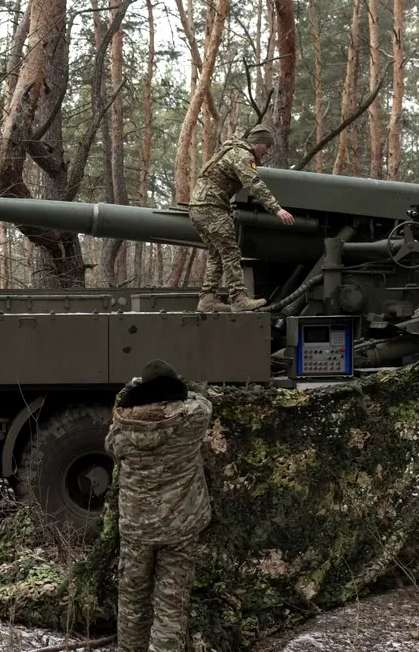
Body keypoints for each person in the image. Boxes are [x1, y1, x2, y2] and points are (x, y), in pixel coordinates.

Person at [105, 359, 212, 651]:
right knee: (171, 605)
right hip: (181, 525)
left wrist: (130, 392)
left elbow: (111, 448)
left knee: (132, 601)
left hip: (137, 527)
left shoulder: (123, 425)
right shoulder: (194, 417)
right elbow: (201, 399)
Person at [187, 124, 295, 313]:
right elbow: (253, 183)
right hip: (211, 207)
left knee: (217, 254)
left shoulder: (233, 150)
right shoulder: (242, 155)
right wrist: (276, 209)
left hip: (199, 206)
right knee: (231, 252)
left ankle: (207, 300)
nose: (267, 151)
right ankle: (238, 299)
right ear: (257, 143)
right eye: (266, 146)